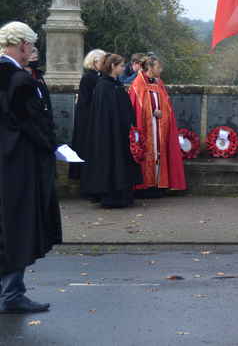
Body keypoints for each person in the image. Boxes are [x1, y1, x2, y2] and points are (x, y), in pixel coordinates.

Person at [0, 21, 62, 314]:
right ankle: (11, 294)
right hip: (18, 162)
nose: (31, 51)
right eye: (30, 45)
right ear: (22, 45)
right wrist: (54, 147)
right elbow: (33, 124)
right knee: (19, 226)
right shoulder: (19, 80)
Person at [81, 54, 143, 208]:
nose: (123, 68)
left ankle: (123, 195)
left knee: (121, 162)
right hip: (109, 134)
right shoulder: (104, 86)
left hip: (120, 132)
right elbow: (106, 114)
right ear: (113, 66)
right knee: (111, 162)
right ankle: (112, 197)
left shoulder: (114, 84)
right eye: (121, 66)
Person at [128, 56, 186, 195]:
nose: (161, 70)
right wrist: (153, 112)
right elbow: (137, 108)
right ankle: (145, 187)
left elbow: (167, 105)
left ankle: (159, 185)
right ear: (150, 68)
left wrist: (162, 113)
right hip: (147, 128)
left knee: (159, 154)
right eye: (158, 67)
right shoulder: (138, 85)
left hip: (159, 127)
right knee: (148, 153)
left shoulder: (159, 83)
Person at [69, 49, 105, 181]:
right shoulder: (89, 78)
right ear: (94, 62)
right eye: (102, 61)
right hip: (87, 119)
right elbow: (85, 101)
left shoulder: (99, 76)